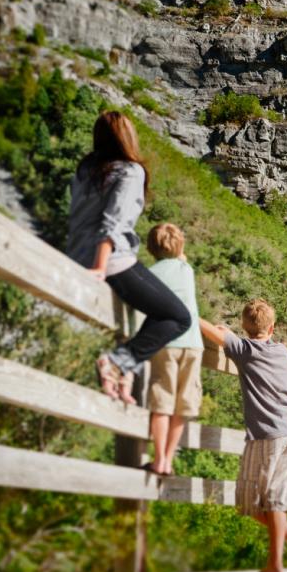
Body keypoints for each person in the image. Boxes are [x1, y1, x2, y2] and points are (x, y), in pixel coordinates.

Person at [66, 111, 190, 403]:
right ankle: (118, 363)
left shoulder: (86, 171)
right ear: (128, 137)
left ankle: (123, 374)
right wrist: (100, 266)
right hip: (111, 259)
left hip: (76, 255)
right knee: (177, 316)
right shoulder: (129, 171)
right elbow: (114, 223)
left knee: (154, 311)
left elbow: (78, 219)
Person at [199, 300, 287, 572]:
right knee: (274, 500)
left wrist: (221, 330)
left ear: (244, 327)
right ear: (273, 328)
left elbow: (209, 329)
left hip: (268, 435)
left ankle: (283, 559)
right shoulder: (282, 351)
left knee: (250, 503)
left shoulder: (243, 350)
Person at [142, 223, 203, 476]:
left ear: (150, 248)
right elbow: (182, 257)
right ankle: (168, 459)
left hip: (165, 342)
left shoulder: (149, 274)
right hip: (192, 344)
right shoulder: (185, 269)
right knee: (183, 405)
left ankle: (158, 460)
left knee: (162, 400)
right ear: (180, 247)